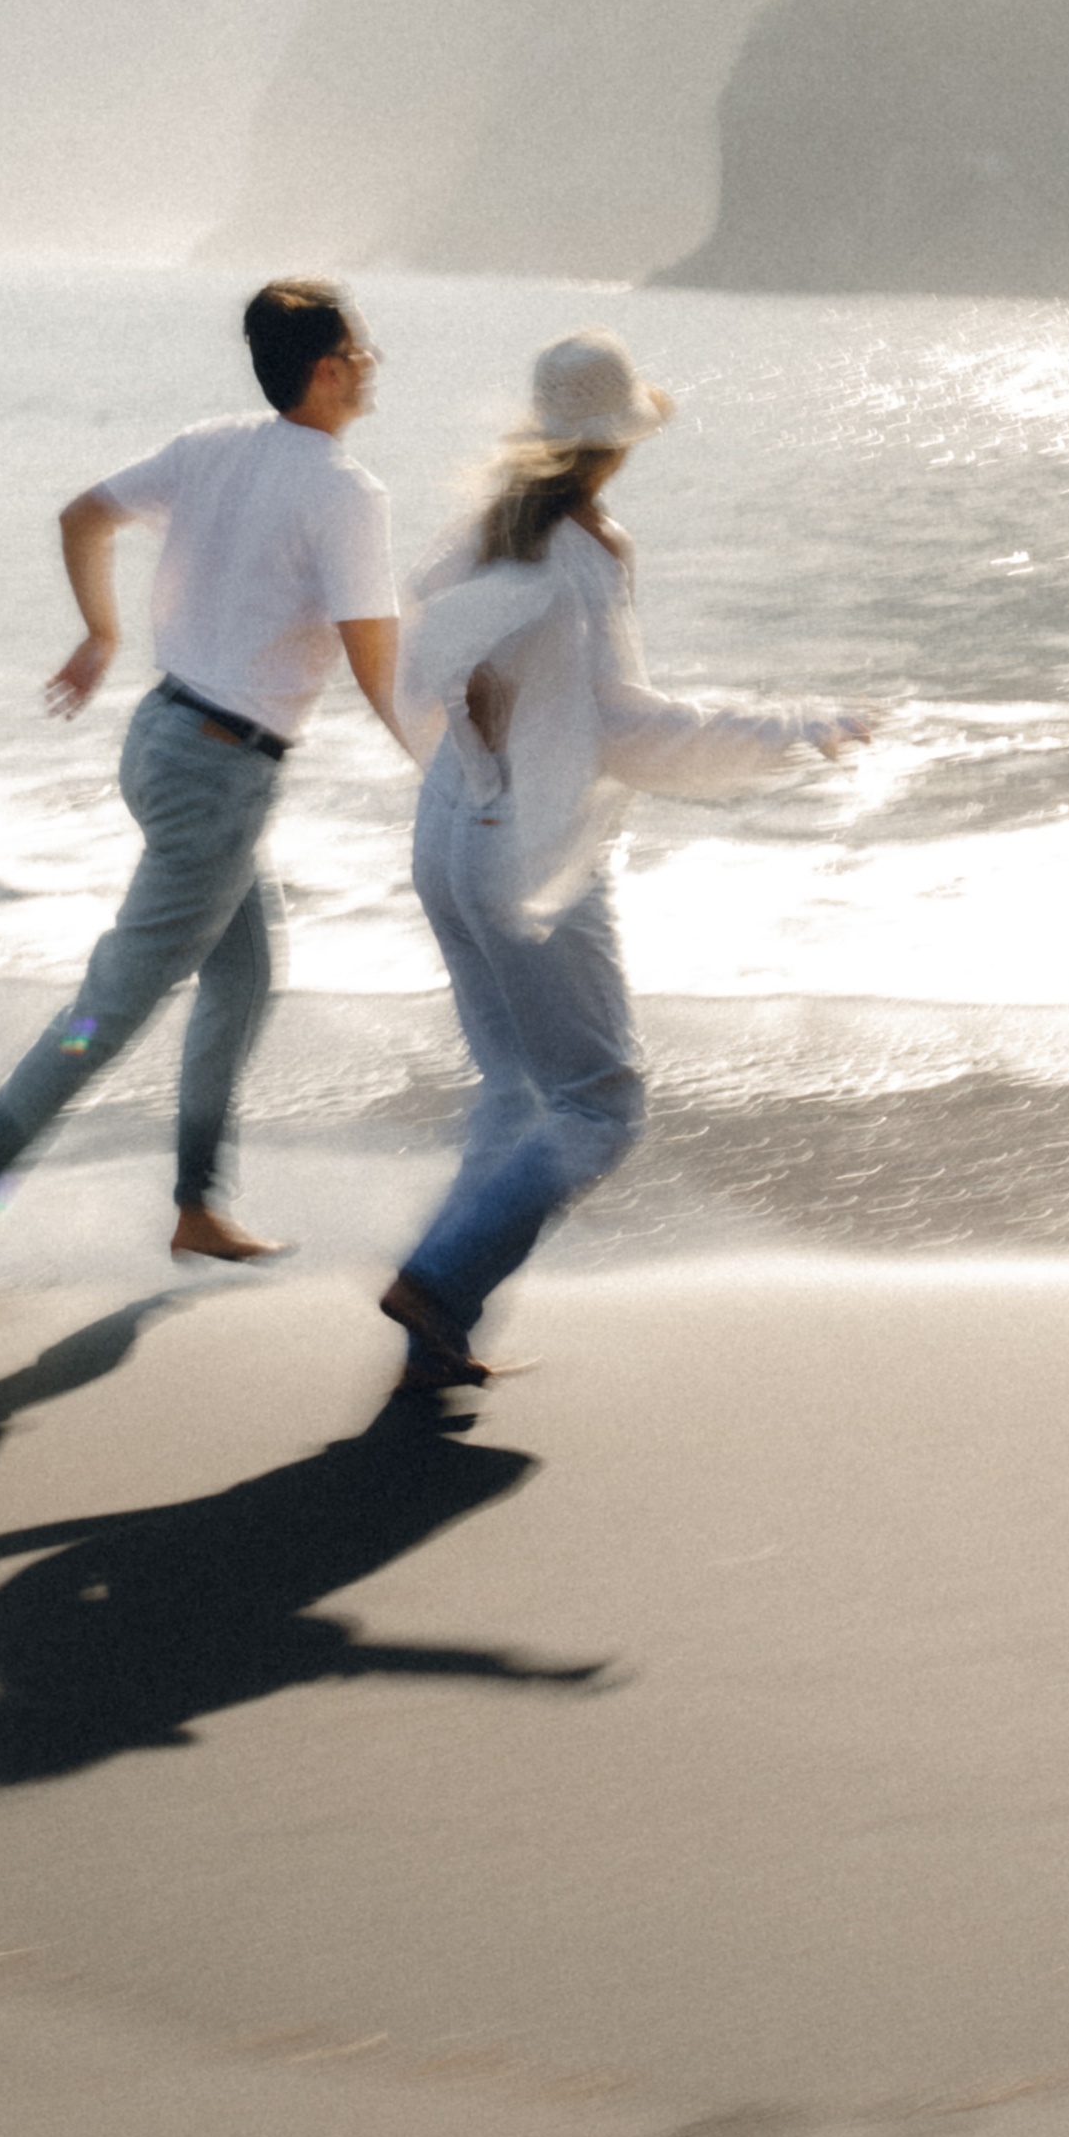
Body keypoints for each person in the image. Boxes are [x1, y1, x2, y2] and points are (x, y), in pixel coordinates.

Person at [380, 329, 872, 1393]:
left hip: (446, 833)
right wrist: (793, 726)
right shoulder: (590, 551)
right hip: (529, 861)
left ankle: (438, 1319)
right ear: (616, 445)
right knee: (603, 1107)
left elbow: (420, 666)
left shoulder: (479, 534)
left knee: (515, 1096)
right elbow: (626, 728)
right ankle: (437, 1282)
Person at [0, 279, 411, 1291]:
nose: (372, 366)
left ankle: (198, 1206)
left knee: (245, 972)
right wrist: (454, 771)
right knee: (113, 1008)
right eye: (362, 352)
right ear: (326, 370)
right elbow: (376, 665)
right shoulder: (346, 494)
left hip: (161, 738)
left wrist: (101, 633)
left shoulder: (210, 446)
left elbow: (81, 518)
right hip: (220, 777)